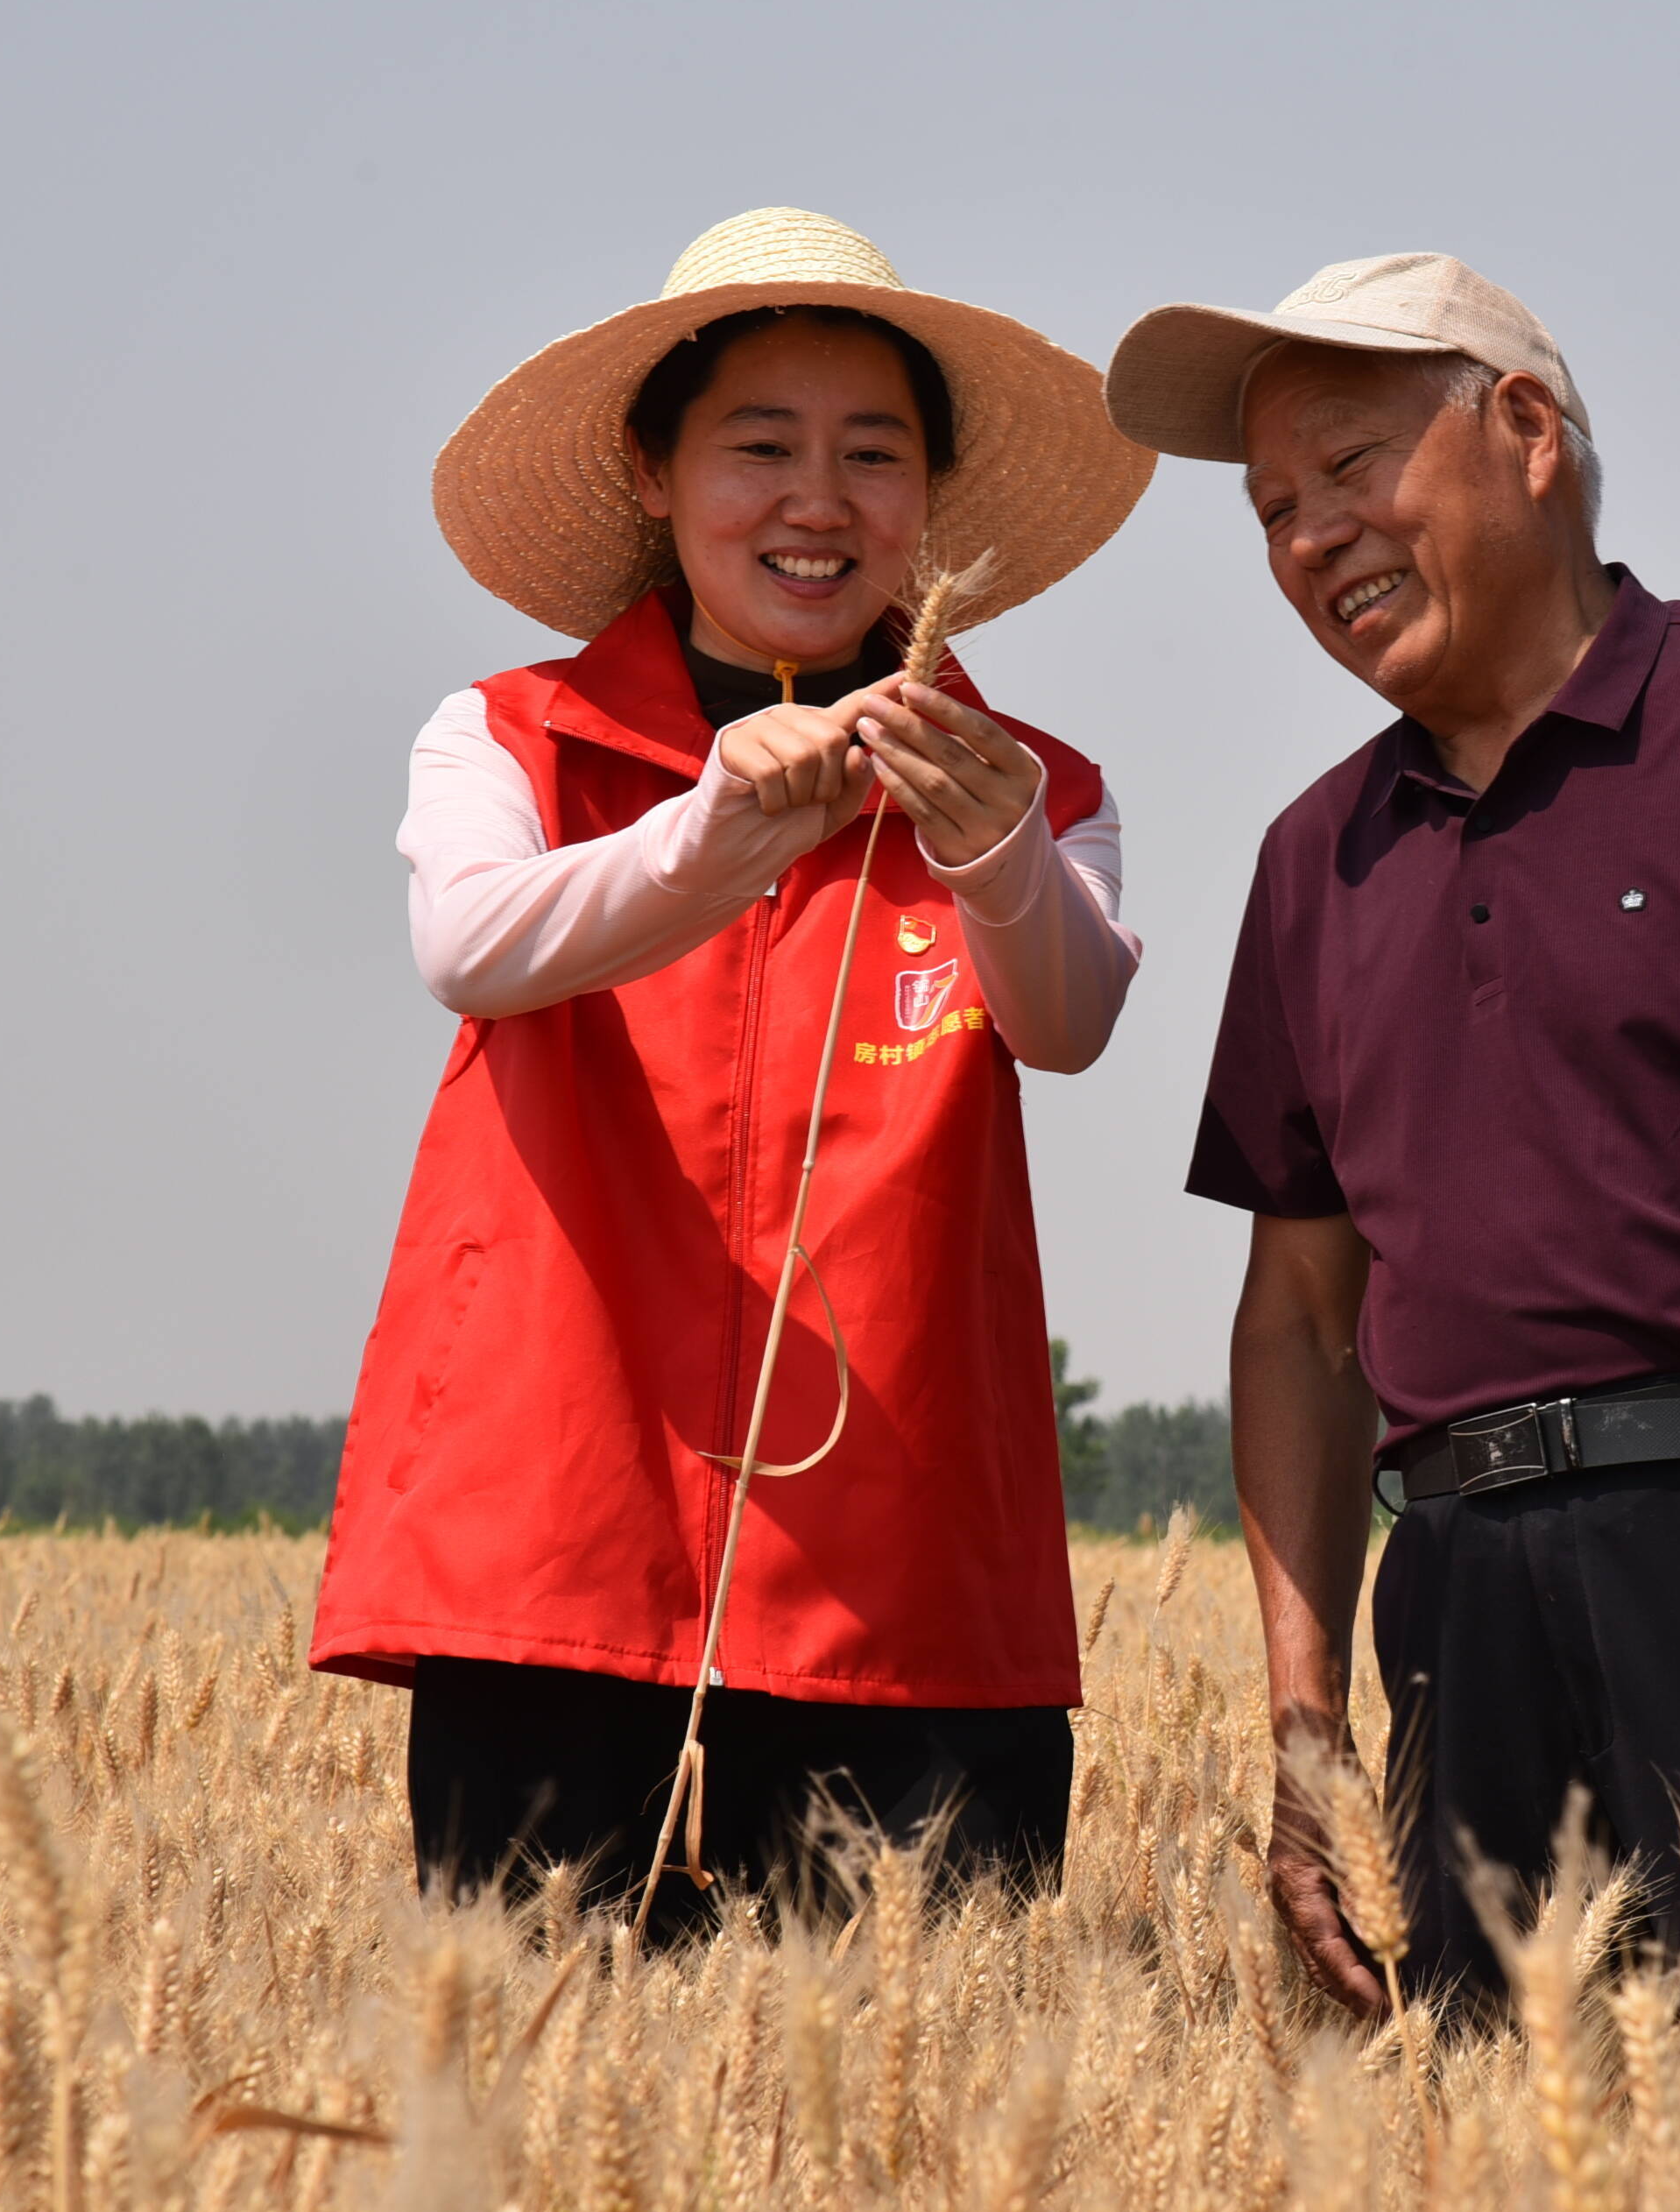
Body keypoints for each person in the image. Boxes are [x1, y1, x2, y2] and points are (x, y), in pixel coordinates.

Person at [1105, 254, 1680, 2009]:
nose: (1313, 535)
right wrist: (1308, 1725)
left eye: (1351, 464)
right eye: (1273, 510)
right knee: (1494, 2149)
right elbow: (1302, 1320)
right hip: (1458, 1603)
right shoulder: (1314, 860)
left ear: (1529, 430)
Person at [313, 208, 1155, 1927]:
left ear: (931, 498)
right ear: (654, 470)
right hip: (559, 1538)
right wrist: (711, 837)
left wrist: (991, 850)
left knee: (934, 2077)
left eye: (874, 455)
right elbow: (471, 944)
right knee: (532, 2058)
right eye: (760, 447)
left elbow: (1070, 1021)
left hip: (904, 1574)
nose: (818, 501)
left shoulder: (1033, 783)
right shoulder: (509, 735)